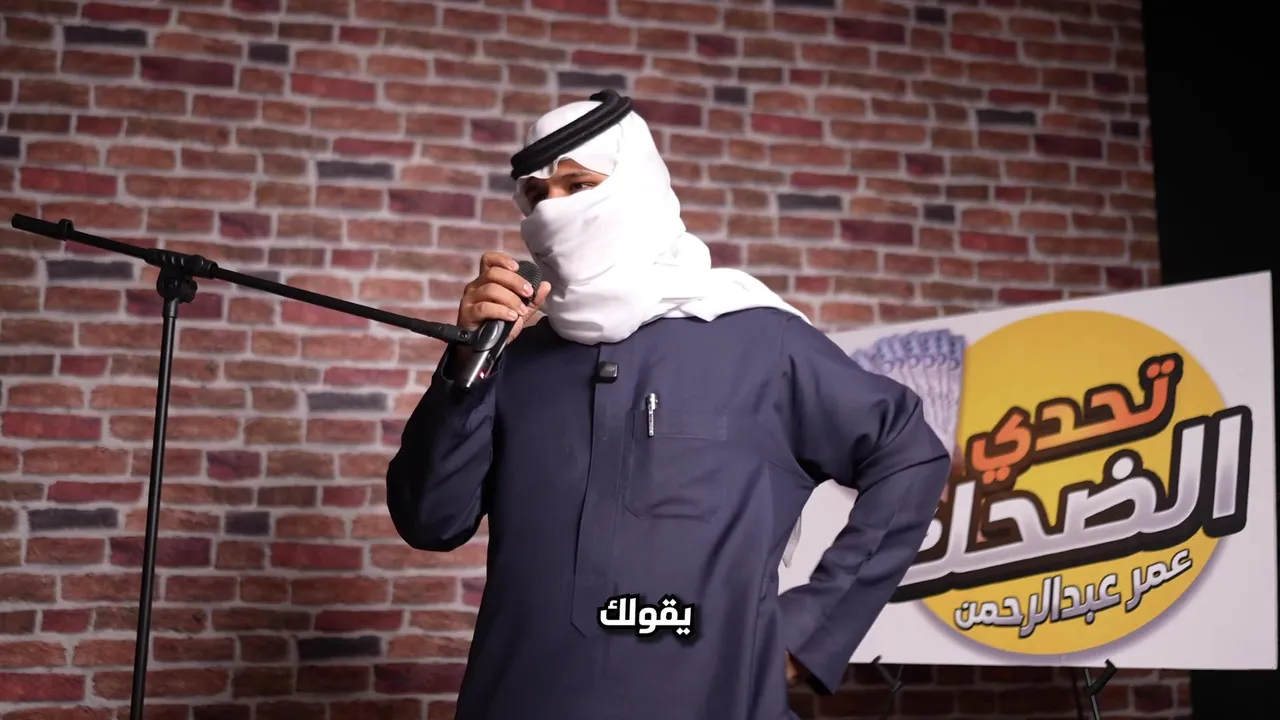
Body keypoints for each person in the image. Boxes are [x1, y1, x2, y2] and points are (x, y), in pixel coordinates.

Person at [386, 91, 951, 720]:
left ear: (639, 186)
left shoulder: (757, 338)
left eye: (579, 185)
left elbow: (909, 455)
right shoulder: (512, 360)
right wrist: (467, 364)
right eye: (537, 195)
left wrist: (809, 629)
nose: (554, 211)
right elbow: (431, 522)